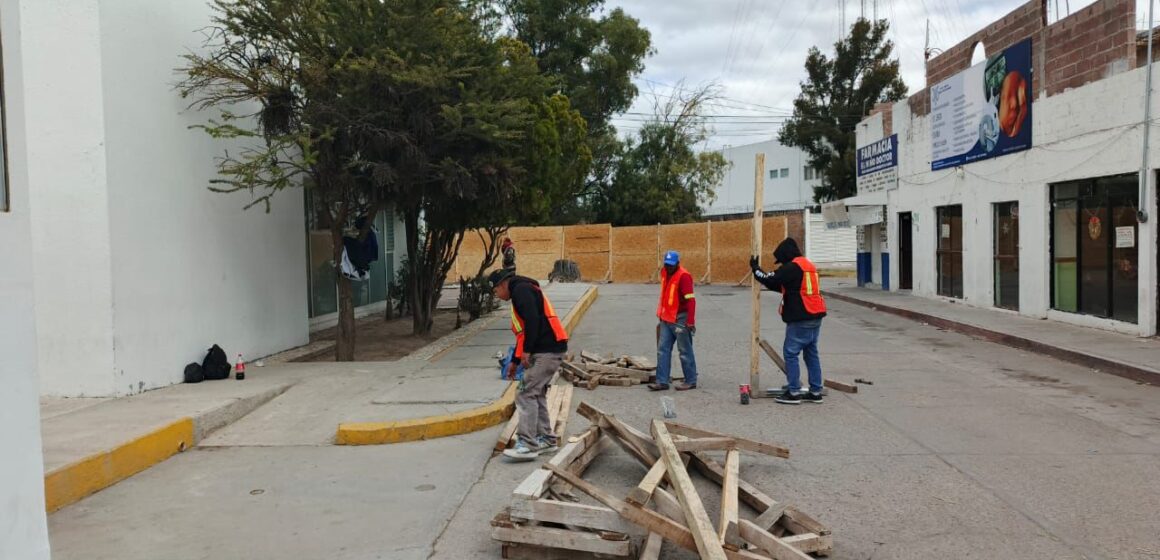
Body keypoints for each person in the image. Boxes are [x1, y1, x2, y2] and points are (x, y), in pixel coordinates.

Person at [489, 268, 569, 459]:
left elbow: (533, 320)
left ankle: (527, 444)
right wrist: (515, 361)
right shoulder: (522, 289)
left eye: (495, 291)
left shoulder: (521, 290)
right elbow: (523, 332)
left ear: (502, 284)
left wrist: (527, 350)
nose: (497, 295)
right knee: (536, 392)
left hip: (547, 350)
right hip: (548, 348)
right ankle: (546, 439)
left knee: (525, 392)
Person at [750, 238, 827, 404]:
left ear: (786, 255)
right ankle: (815, 391)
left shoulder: (792, 267)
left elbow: (771, 278)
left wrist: (755, 269)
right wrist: (762, 276)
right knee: (811, 353)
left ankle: (793, 392)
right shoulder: (808, 265)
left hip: (801, 317)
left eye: (782, 260)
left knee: (791, 353)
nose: (782, 264)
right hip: (815, 315)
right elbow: (783, 286)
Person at [649, 250, 699, 391]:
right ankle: (662, 381)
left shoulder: (684, 277)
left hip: (680, 319)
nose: (669, 267)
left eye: (671, 265)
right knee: (662, 349)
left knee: (684, 350)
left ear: (678, 263)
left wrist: (690, 321)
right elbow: (665, 296)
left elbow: (691, 301)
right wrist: (661, 315)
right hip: (666, 318)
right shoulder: (664, 272)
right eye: (667, 265)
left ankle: (691, 380)